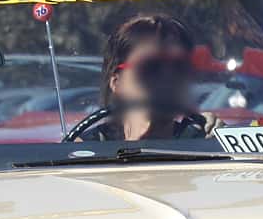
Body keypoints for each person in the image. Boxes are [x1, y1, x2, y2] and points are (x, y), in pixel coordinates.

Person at [78, 14, 208, 142]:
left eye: (179, 67)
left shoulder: (203, 142)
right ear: (117, 82)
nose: (167, 78)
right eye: (152, 67)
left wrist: (215, 138)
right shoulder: (84, 148)